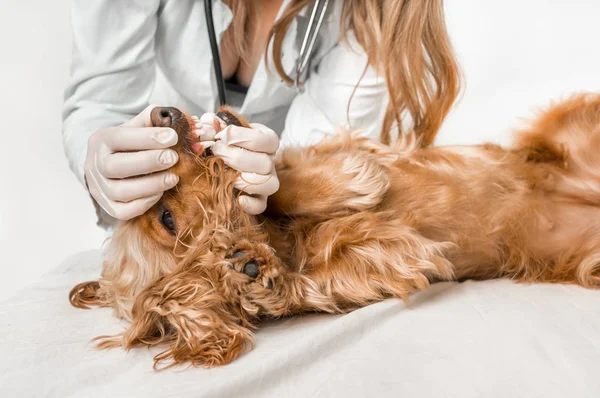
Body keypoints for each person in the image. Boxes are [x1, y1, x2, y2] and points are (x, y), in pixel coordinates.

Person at [62, 0, 461, 228]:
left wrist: (281, 177)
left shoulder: (380, 11)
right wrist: (96, 156)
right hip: (164, 200)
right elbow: (100, 99)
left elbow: (329, 155)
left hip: (290, 196)